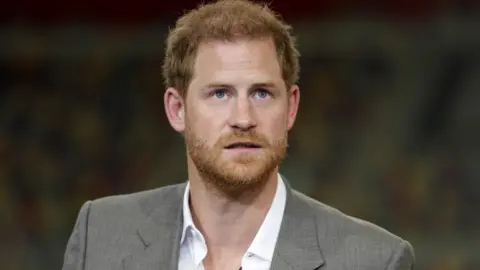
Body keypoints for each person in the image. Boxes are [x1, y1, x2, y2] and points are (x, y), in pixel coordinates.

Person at [62, 0, 415, 269]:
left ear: (290, 107)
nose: (243, 118)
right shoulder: (102, 234)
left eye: (262, 93)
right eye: (220, 94)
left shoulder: (374, 260)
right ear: (177, 109)